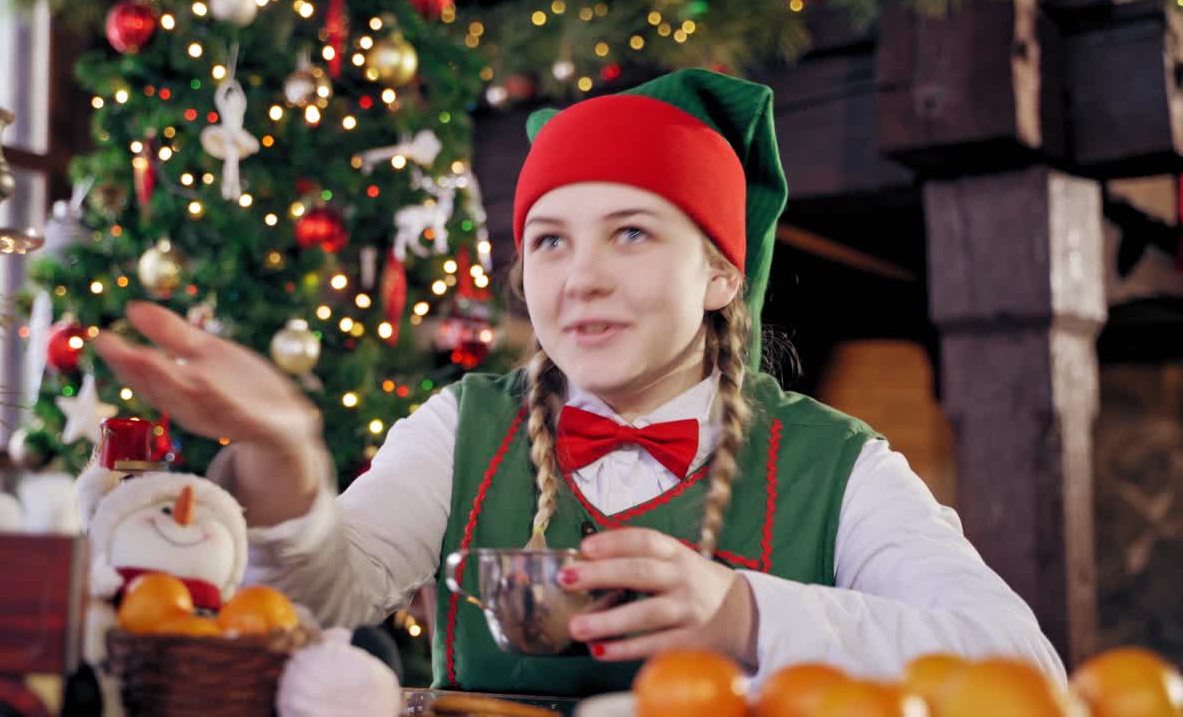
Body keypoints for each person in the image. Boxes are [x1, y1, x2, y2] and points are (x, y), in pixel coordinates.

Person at [94, 68, 1063, 697]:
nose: (580, 278)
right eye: (549, 241)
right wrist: (286, 454)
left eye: (631, 234)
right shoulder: (462, 426)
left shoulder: (836, 465)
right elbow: (320, 597)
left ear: (721, 274)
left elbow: (1023, 670)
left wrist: (741, 616)